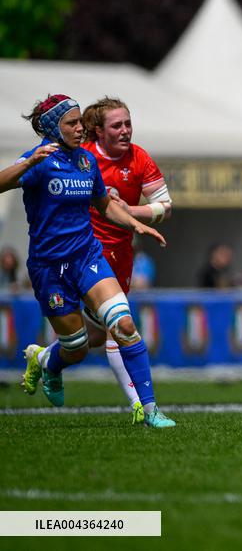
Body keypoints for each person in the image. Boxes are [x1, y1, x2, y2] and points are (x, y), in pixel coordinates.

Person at [0, 94, 175, 428]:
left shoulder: (85, 160)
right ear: (54, 127)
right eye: (72, 123)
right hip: (49, 267)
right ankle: (48, 364)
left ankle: (151, 410)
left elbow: (104, 205)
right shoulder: (39, 161)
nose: (81, 128)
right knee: (77, 347)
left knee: (124, 326)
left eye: (81, 121)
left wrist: (136, 224)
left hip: (87, 256)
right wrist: (28, 163)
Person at [80, 97, 174, 424]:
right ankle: (143, 407)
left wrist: (130, 211)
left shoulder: (139, 158)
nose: (125, 130)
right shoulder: (83, 158)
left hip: (121, 253)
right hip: (85, 253)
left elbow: (165, 207)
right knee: (120, 326)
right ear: (98, 131)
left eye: (128, 123)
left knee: (87, 339)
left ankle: (47, 361)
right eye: (116, 125)